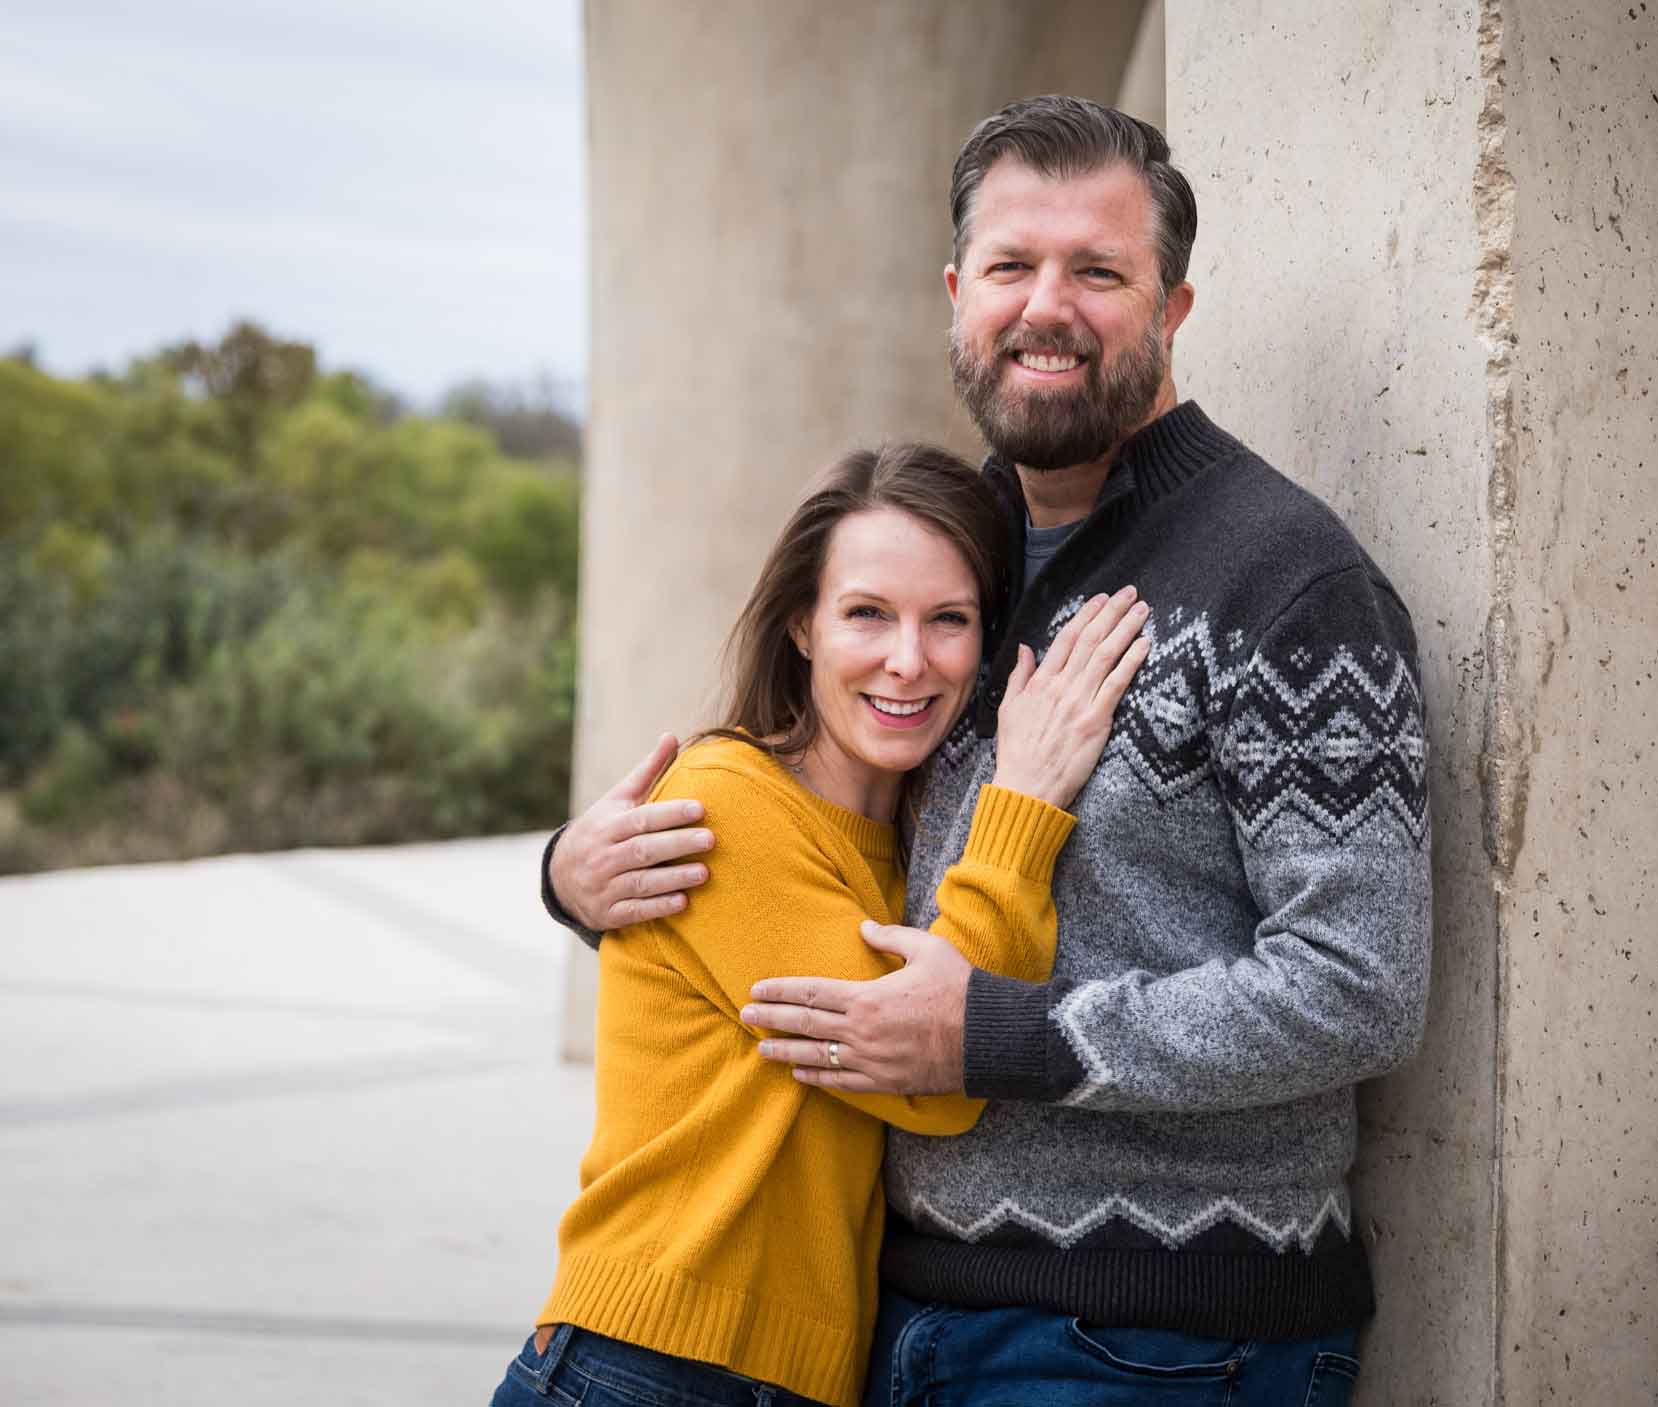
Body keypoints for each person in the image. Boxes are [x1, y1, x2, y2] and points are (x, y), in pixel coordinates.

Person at [546, 96, 1432, 1406]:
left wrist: (1007, 1036)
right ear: (959, 296)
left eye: (1099, 272)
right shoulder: (951, 556)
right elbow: (816, 830)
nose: (1046, 307)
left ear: (1175, 307)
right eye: (1012, 265)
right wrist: (577, 878)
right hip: (896, 1325)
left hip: (1156, 1344)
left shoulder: (1286, 581)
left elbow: (1359, 986)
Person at [494, 442, 1150, 1407]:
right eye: (867, 613)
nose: (908, 660)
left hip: (779, 1378)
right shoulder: (728, 803)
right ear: (802, 623)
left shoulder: (910, 848)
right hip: (645, 1365)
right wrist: (1024, 796)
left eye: (949, 619)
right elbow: (935, 1069)